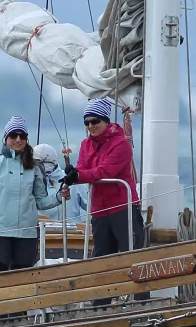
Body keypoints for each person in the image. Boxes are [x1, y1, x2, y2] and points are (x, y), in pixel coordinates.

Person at [61, 99, 144, 258]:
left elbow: (105, 171)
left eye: (94, 121)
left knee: (131, 255)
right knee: (101, 257)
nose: (90, 126)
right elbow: (82, 168)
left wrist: (79, 175)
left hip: (122, 207)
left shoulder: (121, 144)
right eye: (87, 122)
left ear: (105, 120)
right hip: (99, 209)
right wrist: (73, 175)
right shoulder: (86, 144)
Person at [0, 116, 60, 273]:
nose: (18, 139)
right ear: (5, 138)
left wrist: (59, 197)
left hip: (27, 234)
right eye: (13, 135)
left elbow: (41, 201)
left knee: (24, 275)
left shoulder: (36, 167)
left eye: (22, 136)